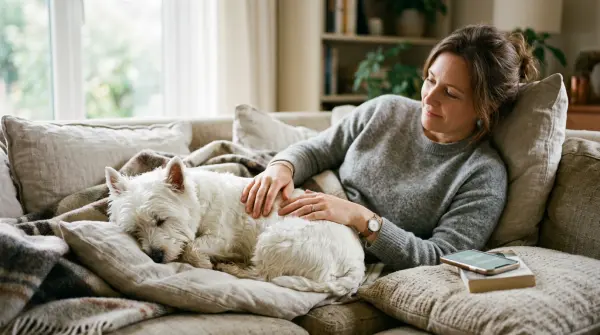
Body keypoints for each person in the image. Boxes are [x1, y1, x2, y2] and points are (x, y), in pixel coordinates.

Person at [240, 24, 538, 271]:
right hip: (290, 196)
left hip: (327, 244)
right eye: (430, 80)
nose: (429, 98)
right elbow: (316, 150)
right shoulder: (386, 110)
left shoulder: (482, 175)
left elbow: (441, 257)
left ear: (486, 108)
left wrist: (360, 217)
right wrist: (281, 168)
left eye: (449, 93)